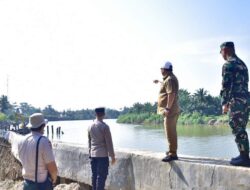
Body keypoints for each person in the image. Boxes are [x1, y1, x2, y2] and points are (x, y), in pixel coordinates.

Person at [5, 113, 58, 189]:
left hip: (27, 184)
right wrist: (53, 180)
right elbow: (53, 168)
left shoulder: (22, 140)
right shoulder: (43, 141)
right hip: (41, 185)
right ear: (43, 126)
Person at [220, 42, 250, 166]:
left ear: (225, 50)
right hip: (246, 100)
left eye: (221, 52)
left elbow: (226, 86)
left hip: (236, 101)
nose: (221, 54)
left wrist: (224, 103)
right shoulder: (243, 64)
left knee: (237, 127)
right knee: (241, 128)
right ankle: (244, 155)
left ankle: (244, 158)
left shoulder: (228, 64)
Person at [154, 61, 180, 162]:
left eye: (161, 69)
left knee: (170, 132)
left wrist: (168, 108)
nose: (160, 71)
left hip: (170, 111)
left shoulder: (169, 79)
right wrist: (159, 82)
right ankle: (171, 151)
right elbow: (168, 87)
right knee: (170, 131)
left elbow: (171, 93)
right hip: (171, 110)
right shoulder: (169, 79)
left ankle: (172, 153)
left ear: (164, 70)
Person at [88, 107, 116, 190]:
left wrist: (90, 152)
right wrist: (112, 156)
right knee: (101, 176)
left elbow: (89, 141)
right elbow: (109, 143)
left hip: (93, 155)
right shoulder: (105, 127)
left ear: (95, 114)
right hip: (102, 155)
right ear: (104, 114)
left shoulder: (90, 126)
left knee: (94, 175)